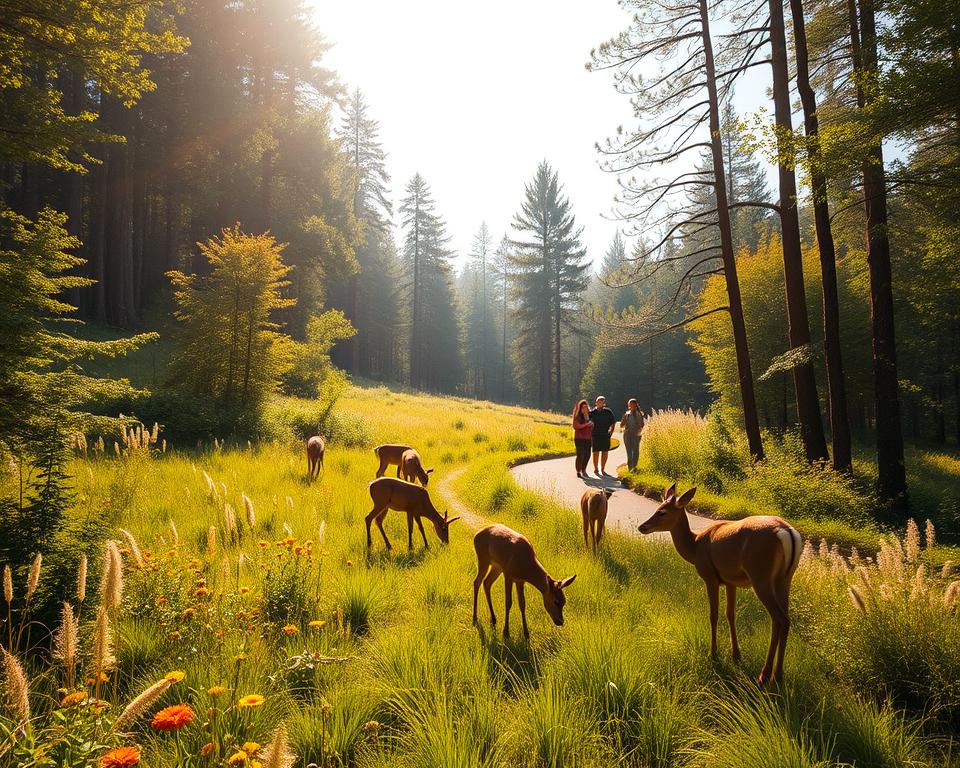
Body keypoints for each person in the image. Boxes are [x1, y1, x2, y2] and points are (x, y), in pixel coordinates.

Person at [588, 395, 616, 477]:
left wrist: (611, 432)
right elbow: (586, 421)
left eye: (601, 402)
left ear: (604, 403)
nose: (599, 403)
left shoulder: (608, 412)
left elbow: (613, 422)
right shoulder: (592, 412)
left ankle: (603, 469)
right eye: (598, 402)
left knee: (605, 452)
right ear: (596, 403)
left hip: (605, 435)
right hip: (595, 435)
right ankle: (596, 468)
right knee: (595, 452)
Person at [620, 398, 645, 471]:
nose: (631, 406)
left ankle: (634, 466)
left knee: (635, 450)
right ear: (628, 405)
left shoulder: (639, 414)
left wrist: (639, 430)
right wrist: (624, 427)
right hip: (627, 435)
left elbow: (642, 424)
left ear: (636, 405)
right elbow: (622, 424)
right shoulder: (627, 414)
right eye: (630, 404)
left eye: (633, 404)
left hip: (636, 435)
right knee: (629, 451)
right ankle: (630, 467)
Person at [571, 399, 593, 479]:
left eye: (586, 407)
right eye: (583, 407)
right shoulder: (578, 416)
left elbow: (593, 425)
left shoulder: (590, 416)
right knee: (580, 454)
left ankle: (584, 470)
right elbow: (575, 426)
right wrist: (586, 425)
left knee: (587, 454)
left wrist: (590, 423)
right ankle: (578, 471)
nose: (585, 408)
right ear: (580, 408)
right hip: (579, 438)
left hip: (588, 438)